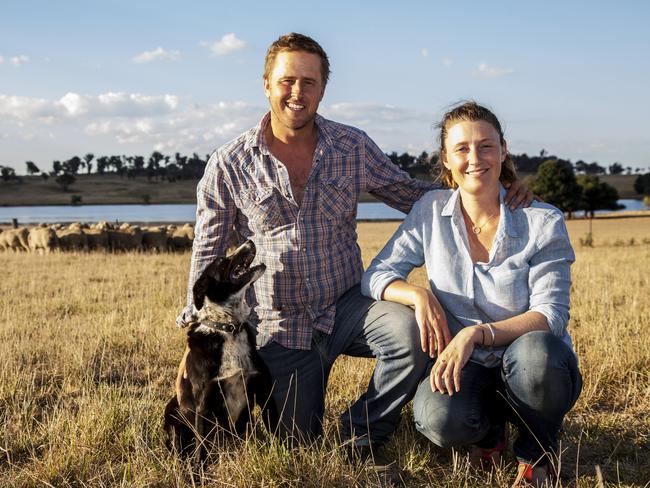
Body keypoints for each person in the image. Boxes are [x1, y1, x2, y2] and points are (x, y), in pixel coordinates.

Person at [177, 34, 532, 464]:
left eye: (309, 82)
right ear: (266, 84)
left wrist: (491, 186)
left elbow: (413, 195)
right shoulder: (229, 164)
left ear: (323, 89)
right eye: (287, 80)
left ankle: (361, 432)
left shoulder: (351, 146)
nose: (297, 92)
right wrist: (197, 340)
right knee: (296, 446)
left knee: (412, 334)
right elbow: (208, 259)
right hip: (280, 325)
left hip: (349, 305)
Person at [361, 101, 582, 486]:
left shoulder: (542, 220)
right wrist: (418, 296)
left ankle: (536, 454)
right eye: (462, 148)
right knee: (437, 420)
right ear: (446, 159)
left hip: (533, 363)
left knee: (537, 355)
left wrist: (476, 332)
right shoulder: (429, 211)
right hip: (469, 366)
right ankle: (491, 434)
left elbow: (551, 315)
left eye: (486, 146)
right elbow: (377, 275)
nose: (474, 158)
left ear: (503, 150)